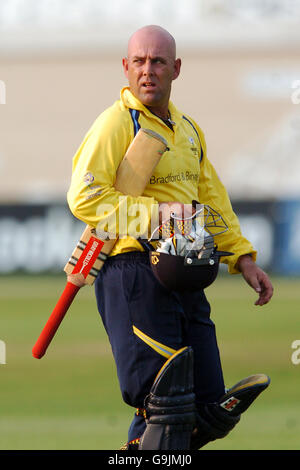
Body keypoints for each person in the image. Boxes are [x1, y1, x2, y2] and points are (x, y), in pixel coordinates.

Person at [67, 25, 274, 450]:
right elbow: (84, 196)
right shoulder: (114, 125)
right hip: (133, 272)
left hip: (186, 271)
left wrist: (243, 257)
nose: (148, 71)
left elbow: (211, 199)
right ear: (125, 68)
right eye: (139, 62)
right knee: (164, 408)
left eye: (158, 61)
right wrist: (157, 215)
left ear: (175, 69)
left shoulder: (188, 130)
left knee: (207, 408)